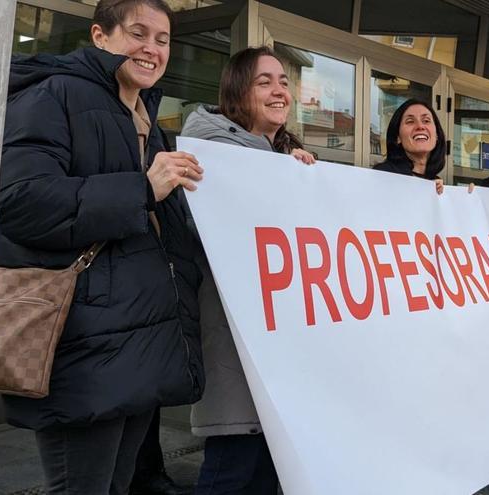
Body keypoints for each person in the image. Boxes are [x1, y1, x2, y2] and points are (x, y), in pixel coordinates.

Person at [0, 0, 205, 493]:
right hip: (84, 346)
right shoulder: (55, 93)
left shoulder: (146, 115)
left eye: (163, 39)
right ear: (100, 36)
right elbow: (19, 202)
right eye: (138, 33)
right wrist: (141, 189)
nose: (152, 49)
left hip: (135, 343)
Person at [179, 45, 314, 495]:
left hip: (278, 339)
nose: (279, 91)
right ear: (239, 91)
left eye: (283, 82)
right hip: (237, 339)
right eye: (265, 82)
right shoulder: (210, 150)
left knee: (268, 473)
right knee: (232, 467)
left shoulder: (285, 154)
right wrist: (276, 177)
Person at [373, 98, 445, 194]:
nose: (420, 126)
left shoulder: (437, 184)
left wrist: (469, 196)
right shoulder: (382, 175)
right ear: (398, 137)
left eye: (426, 121)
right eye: (410, 121)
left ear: (436, 135)